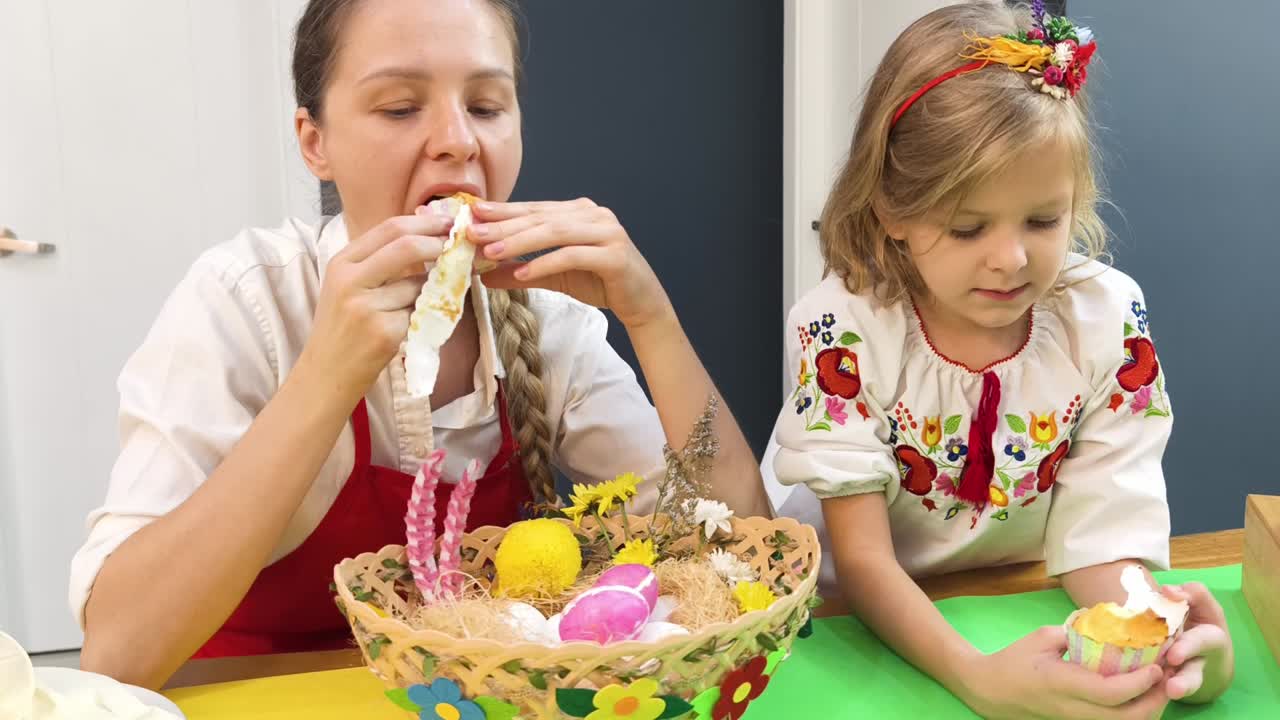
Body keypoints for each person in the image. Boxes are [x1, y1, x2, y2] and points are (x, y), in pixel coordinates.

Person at [72, 0, 767, 690]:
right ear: (317, 142)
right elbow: (117, 653)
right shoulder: (246, 301)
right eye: (401, 108)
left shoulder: (548, 314)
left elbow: (737, 552)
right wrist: (326, 377)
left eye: (488, 106)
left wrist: (652, 320)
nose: (458, 141)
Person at [768, 3, 1232, 717]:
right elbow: (862, 564)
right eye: (966, 227)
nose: (1011, 259)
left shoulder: (1107, 321)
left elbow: (1101, 539)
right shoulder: (842, 328)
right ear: (892, 210)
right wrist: (979, 679)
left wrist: (1157, 636)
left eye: (1043, 220)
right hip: (848, 626)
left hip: (1015, 595)